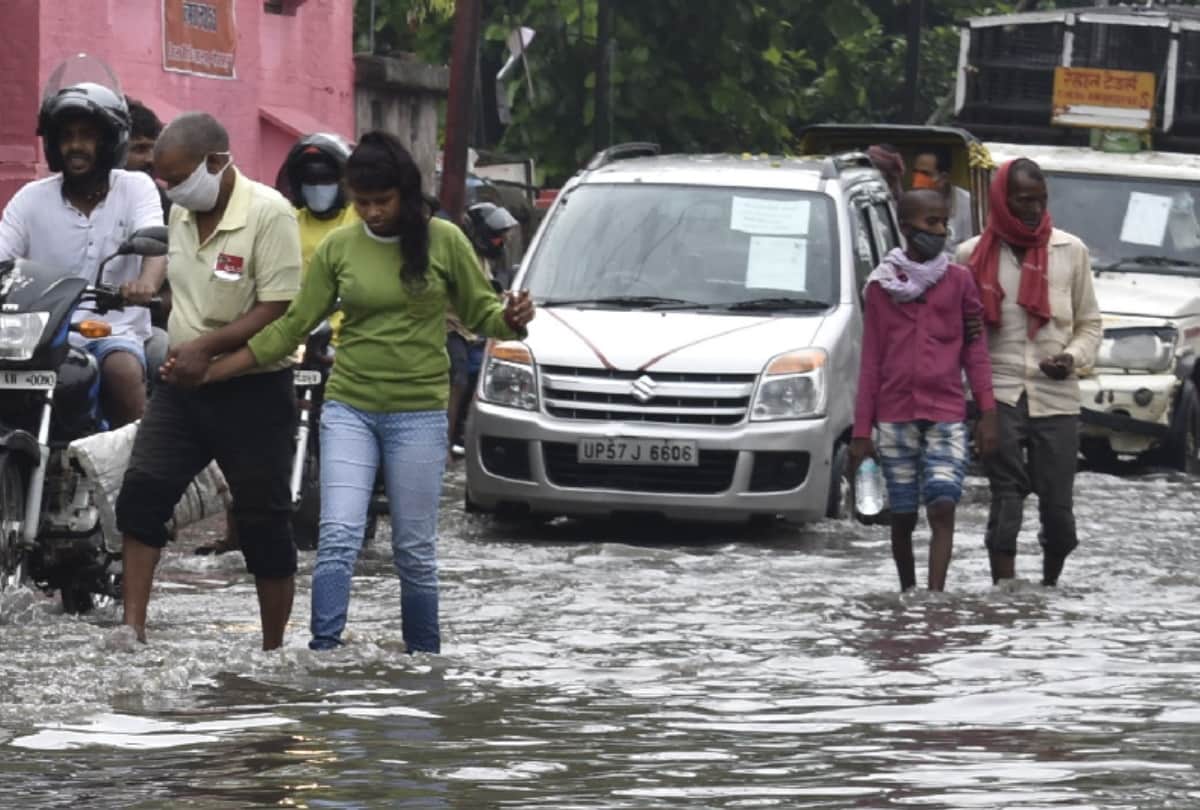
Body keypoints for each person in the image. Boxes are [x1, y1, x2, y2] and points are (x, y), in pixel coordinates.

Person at [194, 131, 535, 653]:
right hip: (349, 408)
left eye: (383, 202)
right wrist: (222, 366)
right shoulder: (338, 248)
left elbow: (480, 314)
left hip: (418, 414)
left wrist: (512, 320)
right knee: (337, 539)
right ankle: (324, 655)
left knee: (414, 551)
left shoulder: (444, 241)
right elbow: (293, 326)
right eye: (364, 203)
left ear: (404, 194)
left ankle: (424, 666)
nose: (373, 213)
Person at [115, 112, 303, 649]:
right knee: (143, 494)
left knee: (262, 519)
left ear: (218, 162)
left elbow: (279, 306)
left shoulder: (270, 215)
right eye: (164, 180)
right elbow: (183, 289)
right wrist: (174, 329)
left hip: (254, 388)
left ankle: (273, 648)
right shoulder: (179, 212)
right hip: (182, 385)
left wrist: (208, 348)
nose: (170, 188)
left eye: (178, 177)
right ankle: (133, 629)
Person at [956, 159, 1102, 587]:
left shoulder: (1070, 251)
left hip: (1056, 396)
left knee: (1057, 508)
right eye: (1024, 200)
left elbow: (1089, 324)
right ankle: (1006, 595)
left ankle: (1049, 589)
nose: (1034, 209)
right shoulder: (971, 255)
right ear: (1003, 200)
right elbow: (963, 335)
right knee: (1007, 497)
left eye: (1041, 200)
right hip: (997, 395)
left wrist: (1071, 358)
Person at [851, 190, 999, 592]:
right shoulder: (881, 288)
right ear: (906, 227)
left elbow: (976, 352)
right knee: (901, 515)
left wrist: (987, 412)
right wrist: (861, 433)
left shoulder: (960, 282)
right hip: (895, 416)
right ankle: (907, 593)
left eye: (943, 223)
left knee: (943, 503)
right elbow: (871, 365)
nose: (939, 231)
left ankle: (934, 597)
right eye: (930, 223)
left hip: (946, 414)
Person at [0, 81, 164, 427]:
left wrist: (145, 284)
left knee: (121, 370)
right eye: (66, 136)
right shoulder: (31, 198)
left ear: (109, 141)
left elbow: (154, 247)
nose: (75, 145)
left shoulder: (135, 188)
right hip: (37, 338)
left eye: (86, 135)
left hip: (113, 330)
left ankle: (136, 472)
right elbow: (3, 256)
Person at [447, 201, 519, 456]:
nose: (501, 242)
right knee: (458, 378)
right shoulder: (459, 253)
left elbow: (489, 291)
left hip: (475, 331)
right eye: (496, 237)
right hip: (451, 327)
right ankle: (443, 442)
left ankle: (463, 436)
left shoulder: (484, 259)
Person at [912, 147, 974, 255]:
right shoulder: (911, 202)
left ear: (943, 178)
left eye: (925, 174)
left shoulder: (967, 204)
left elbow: (970, 251)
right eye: (916, 173)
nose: (918, 180)